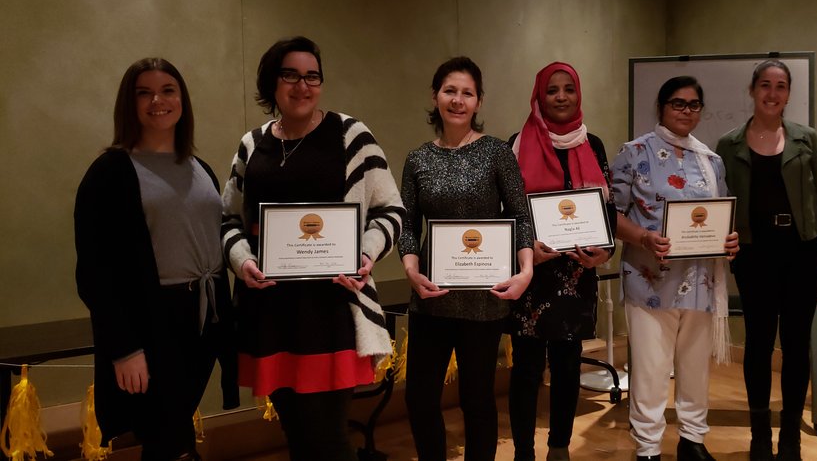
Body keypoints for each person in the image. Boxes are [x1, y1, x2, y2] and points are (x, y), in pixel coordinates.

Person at [220, 36, 403, 461]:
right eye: (291, 75)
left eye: (312, 77)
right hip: (269, 311)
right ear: (273, 82)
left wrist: (366, 254)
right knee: (297, 435)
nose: (302, 86)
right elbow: (228, 218)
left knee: (329, 438)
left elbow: (391, 209)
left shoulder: (351, 136)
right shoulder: (252, 145)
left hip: (331, 310)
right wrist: (242, 260)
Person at [75, 58, 238, 461]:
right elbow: (95, 272)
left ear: (182, 100)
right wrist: (124, 349)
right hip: (152, 322)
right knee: (165, 435)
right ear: (128, 104)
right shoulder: (110, 171)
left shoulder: (200, 168)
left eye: (168, 90)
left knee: (175, 428)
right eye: (143, 92)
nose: (157, 100)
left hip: (203, 317)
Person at [399, 56, 534, 461]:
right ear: (436, 96)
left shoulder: (496, 152)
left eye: (467, 93)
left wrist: (526, 269)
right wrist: (410, 270)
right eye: (450, 91)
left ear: (478, 102)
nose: (458, 100)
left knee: (477, 401)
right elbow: (406, 224)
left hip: (484, 299)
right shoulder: (418, 158)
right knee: (420, 400)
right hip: (432, 297)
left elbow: (519, 214)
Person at [715, 60, 817, 461]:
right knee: (757, 344)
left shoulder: (807, 139)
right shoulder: (729, 144)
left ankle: (790, 437)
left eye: (781, 86)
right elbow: (719, 203)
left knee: (796, 344)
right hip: (754, 255)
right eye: (765, 85)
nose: (773, 93)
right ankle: (758, 438)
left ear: (789, 93)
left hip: (802, 251)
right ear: (753, 90)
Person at [611, 76, 739, 461]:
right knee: (650, 371)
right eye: (678, 104)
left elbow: (718, 219)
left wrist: (729, 240)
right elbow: (611, 216)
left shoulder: (712, 161)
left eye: (694, 105)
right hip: (649, 280)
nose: (686, 111)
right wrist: (645, 238)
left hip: (701, 280)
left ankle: (692, 440)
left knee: (695, 368)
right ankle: (648, 448)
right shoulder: (634, 152)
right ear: (662, 107)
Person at [506, 62, 615, 461]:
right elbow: (506, 211)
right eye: (552, 90)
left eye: (569, 88)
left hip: (576, 275)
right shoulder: (516, 144)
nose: (562, 96)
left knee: (568, 366)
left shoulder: (594, 144)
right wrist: (525, 248)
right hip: (531, 276)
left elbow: (609, 208)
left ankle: (559, 447)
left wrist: (605, 251)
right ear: (539, 95)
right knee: (527, 369)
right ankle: (522, 452)